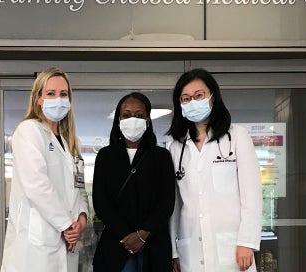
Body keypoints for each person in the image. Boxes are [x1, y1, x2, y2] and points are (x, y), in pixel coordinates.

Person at [166, 68, 262, 272]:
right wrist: (174, 250)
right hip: (190, 247)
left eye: (198, 95)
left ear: (213, 96)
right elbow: (174, 203)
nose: (192, 102)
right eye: (185, 98)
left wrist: (247, 241)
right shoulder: (176, 145)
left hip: (233, 247)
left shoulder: (237, 136)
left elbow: (252, 195)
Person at [1, 67, 89, 272]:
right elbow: (37, 185)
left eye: (63, 94)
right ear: (38, 99)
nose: (58, 99)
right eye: (51, 94)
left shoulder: (70, 143)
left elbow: (79, 189)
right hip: (35, 247)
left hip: (67, 244)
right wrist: (67, 225)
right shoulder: (29, 131)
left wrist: (81, 221)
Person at [92, 92, 176, 272]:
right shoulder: (106, 156)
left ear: (147, 120)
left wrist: (143, 234)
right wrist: (126, 235)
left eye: (139, 115)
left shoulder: (161, 156)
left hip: (154, 246)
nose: (133, 119)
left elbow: (167, 202)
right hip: (116, 245)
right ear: (118, 120)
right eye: (126, 115)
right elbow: (101, 202)